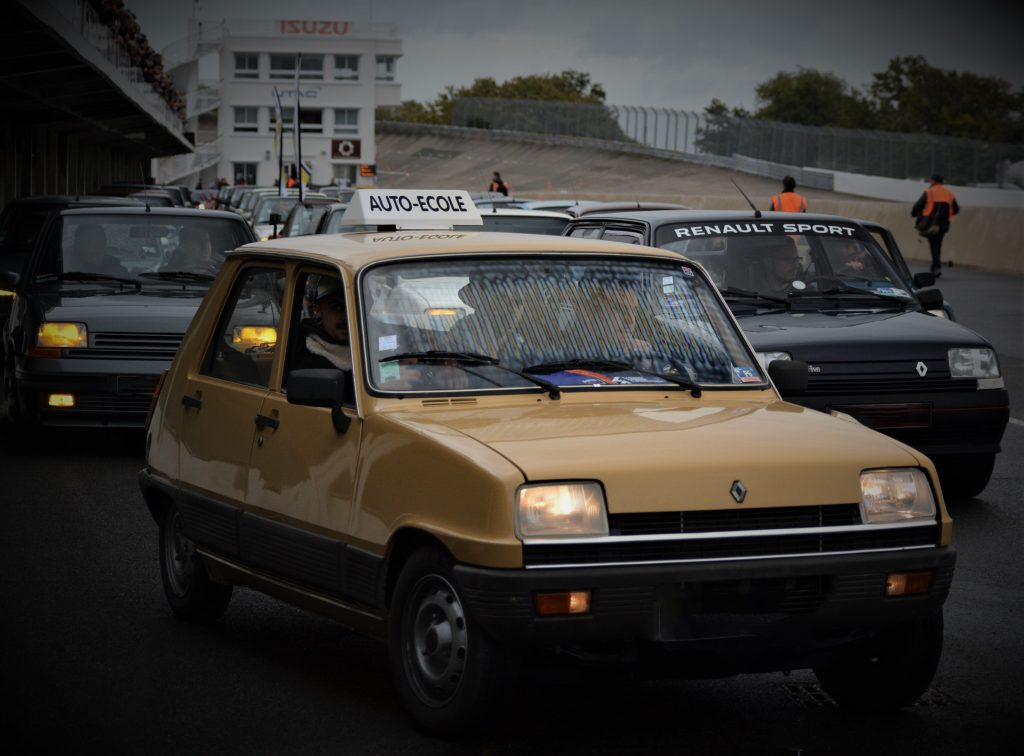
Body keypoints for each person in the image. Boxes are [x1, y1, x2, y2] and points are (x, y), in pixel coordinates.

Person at [293, 278, 352, 371]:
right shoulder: (308, 360)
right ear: (318, 311)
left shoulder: (371, 346)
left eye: (352, 307)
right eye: (336, 307)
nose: (346, 316)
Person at [911, 174, 959, 277]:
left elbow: (918, 206)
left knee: (934, 244)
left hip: (931, 222)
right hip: (944, 223)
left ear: (933, 181)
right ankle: (936, 265)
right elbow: (956, 209)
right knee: (937, 244)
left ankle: (936, 266)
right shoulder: (949, 193)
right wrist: (946, 215)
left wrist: (915, 214)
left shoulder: (929, 192)